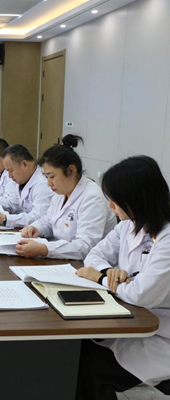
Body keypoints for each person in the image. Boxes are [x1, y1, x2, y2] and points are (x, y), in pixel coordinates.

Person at [74, 156, 170, 400]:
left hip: (161, 333)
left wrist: (100, 279)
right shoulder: (128, 225)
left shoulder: (167, 237)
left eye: (115, 200)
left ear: (136, 199)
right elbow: (94, 255)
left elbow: (142, 294)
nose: (110, 207)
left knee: (91, 370)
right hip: (132, 320)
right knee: (76, 352)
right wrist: (109, 272)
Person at [15, 135, 117, 259]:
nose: (49, 183)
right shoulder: (61, 192)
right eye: (46, 177)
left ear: (71, 171)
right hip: (61, 257)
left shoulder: (92, 198)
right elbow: (48, 221)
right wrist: (35, 227)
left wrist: (44, 249)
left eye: (52, 177)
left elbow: (85, 246)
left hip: (84, 263)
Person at [0, 144, 53, 228]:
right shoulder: (23, 180)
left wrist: (5, 219)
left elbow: (38, 217)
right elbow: (11, 203)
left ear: (25, 164)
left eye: (11, 171)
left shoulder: (43, 184)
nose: (9, 176)